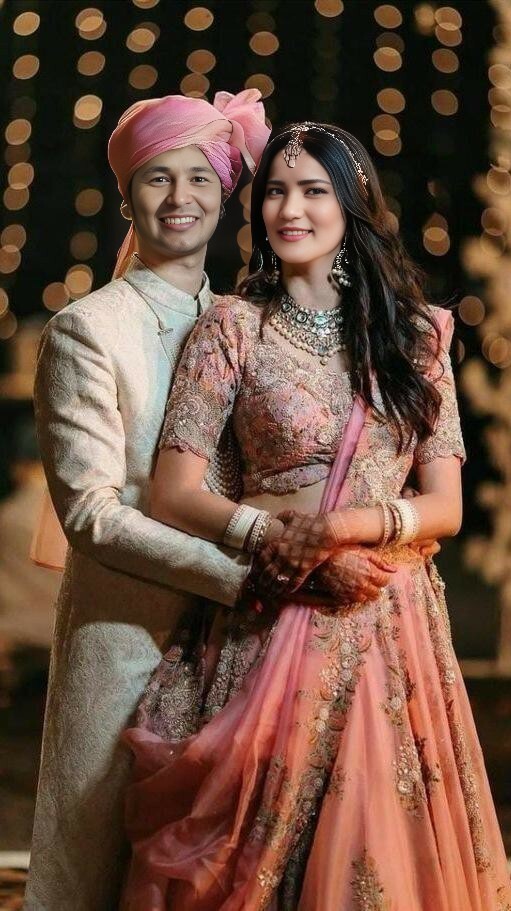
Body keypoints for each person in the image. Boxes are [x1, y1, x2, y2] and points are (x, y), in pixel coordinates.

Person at [120, 123, 511, 910]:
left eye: (312, 191)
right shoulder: (232, 326)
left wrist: (339, 530)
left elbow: (445, 505)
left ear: (353, 202)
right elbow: (173, 492)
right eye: (274, 191)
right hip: (270, 610)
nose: (289, 209)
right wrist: (283, 543)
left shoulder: (416, 335)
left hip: (386, 616)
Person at [24, 90, 270, 911]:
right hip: (127, 634)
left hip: (237, 646)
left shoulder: (244, 324)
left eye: (199, 178)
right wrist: (241, 577)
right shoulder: (87, 330)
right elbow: (92, 515)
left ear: (225, 195)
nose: (179, 198)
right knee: (97, 865)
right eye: (158, 178)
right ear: (128, 196)